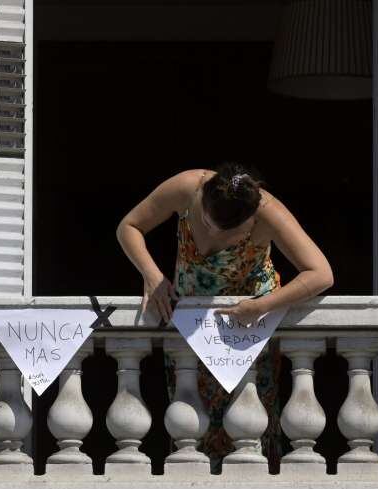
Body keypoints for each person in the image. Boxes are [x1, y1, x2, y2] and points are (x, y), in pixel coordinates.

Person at [116, 162, 334, 470]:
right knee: (190, 420)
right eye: (206, 223)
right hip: (193, 329)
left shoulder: (268, 211)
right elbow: (129, 226)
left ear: (250, 219)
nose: (211, 233)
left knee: (250, 421)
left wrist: (262, 306)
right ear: (203, 197)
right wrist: (152, 275)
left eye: (227, 232)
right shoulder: (187, 186)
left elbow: (321, 273)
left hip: (246, 331)